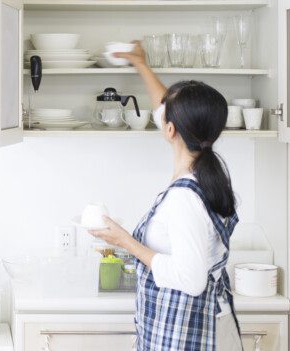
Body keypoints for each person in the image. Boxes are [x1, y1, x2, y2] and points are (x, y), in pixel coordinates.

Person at [90, 40, 242, 350]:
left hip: (192, 336)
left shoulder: (184, 198)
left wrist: (125, 242)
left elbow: (191, 279)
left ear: (171, 130)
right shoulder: (209, 175)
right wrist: (141, 64)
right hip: (207, 326)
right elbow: (166, 110)